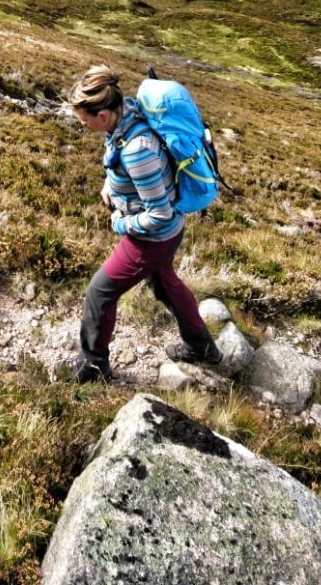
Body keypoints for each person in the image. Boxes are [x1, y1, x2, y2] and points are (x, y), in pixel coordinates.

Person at [64, 64, 221, 383]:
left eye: (84, 119)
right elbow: (120, 158)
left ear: (103, 115)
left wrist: (120, 223)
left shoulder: (138, 151)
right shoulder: (127, 113)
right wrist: (110, 183)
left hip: (154, 238)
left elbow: (159, 214)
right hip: (169, 232)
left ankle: (92, 366)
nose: (82, 124)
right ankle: (202, 347)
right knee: (164, 284)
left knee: (99, 292)